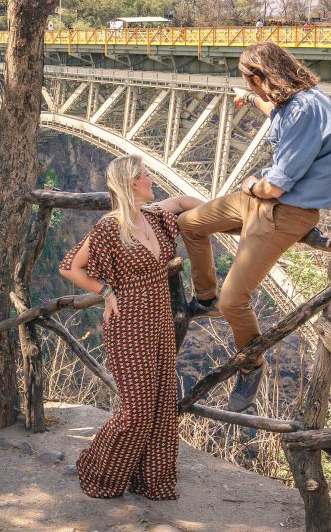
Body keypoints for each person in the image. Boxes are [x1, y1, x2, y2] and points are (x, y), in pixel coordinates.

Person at [177, 42, 331, 412]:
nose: (251, 88)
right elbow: (274, 109)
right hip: (263, 205)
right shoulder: (293, 102)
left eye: (250, 82)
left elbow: (275, 185)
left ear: (261, 76)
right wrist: (250, 100)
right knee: (189, 223)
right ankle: (203, 297)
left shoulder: (305, 110)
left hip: (281, 210)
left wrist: (251, 185)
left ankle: (251, 363)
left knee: (234, 299)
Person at [59, 155, 203, 500]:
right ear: (131, 183)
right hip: (129, 326)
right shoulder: (111, 227)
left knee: (162, 405)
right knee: (137, 412)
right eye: (145, 175)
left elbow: (184, 201)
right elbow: (70, 267)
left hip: (160, 324)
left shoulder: (154, 215)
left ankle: (151, 481)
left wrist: (228, 214)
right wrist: (105, 291)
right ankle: (98, 471)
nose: (151, 179)